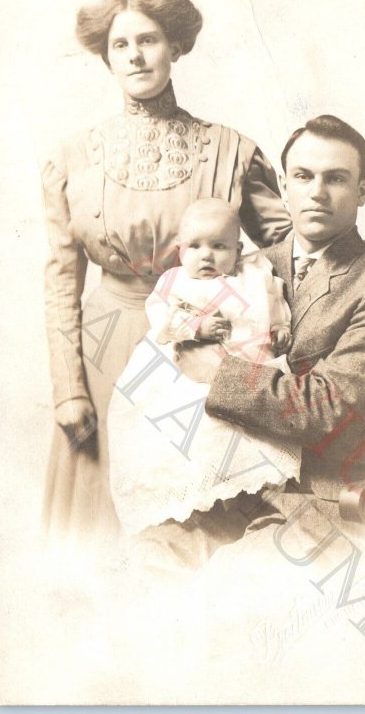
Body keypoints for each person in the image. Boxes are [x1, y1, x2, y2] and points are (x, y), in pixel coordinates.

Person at [42, 0, 365, 540]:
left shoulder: (230, 149)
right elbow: (58, 281)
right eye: (121, 44)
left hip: (216, 349)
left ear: (175, 47)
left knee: (198, 511)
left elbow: (299, 238)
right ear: (106, 56)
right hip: (107, 345)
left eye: (148, 40)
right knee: (103, 530)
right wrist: (67, 388)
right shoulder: (69, 156)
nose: (136, 56)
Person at [176, 114, 365, 549]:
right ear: (283, 185)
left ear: (362, 191)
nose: (317, 192)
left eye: (336, 178)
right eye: (303, 176)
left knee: (227, 594)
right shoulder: (245, 266)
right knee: (141, 567)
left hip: (331, 501)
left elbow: (328, 410)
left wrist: (218, 374)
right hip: (228, 489)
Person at [107, 198, 300, 536]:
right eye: (195, 246)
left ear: (238, 249)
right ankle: (200, 503)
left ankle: (247, 500)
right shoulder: (176, 281)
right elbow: (162, 319)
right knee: (194, 435)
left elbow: (275, 300)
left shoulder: (255, 274)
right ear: (180, 251)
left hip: (250, 368)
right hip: (187, 375)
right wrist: (196, 326)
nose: (206, 255)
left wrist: (281, 326)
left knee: (250, 437)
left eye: (219, 246)